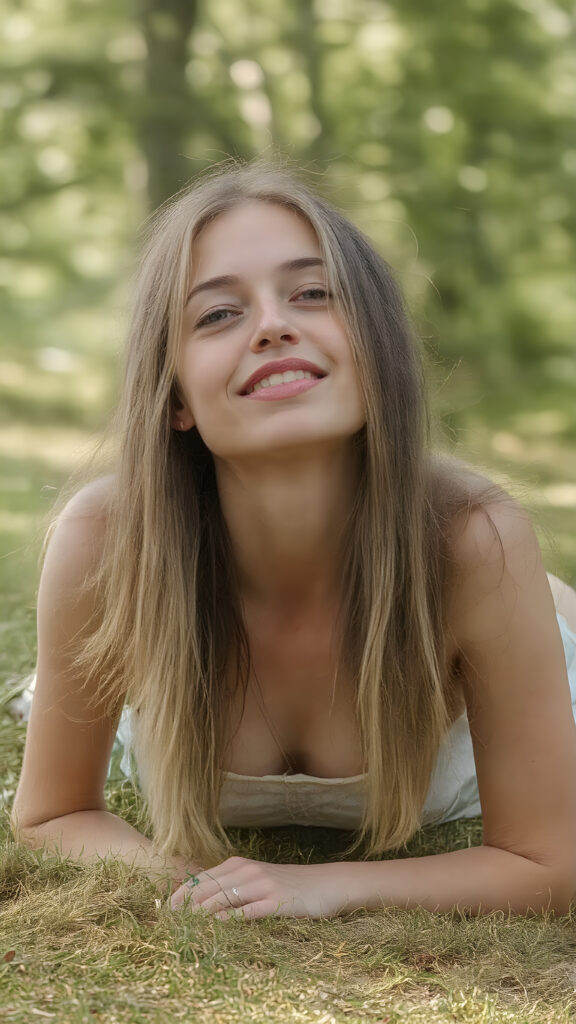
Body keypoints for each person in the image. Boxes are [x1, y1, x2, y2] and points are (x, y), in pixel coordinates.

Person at [11, 163, 576, 921]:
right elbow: (50, 814)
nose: (273, 325)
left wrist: (325, 886)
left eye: (312, 293)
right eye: (217, 314)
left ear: (374, 345)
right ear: (175, 395)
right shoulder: (105, 543)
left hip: (522, 633)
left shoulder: (475, 539)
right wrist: (196, 884)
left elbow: (549, 861)